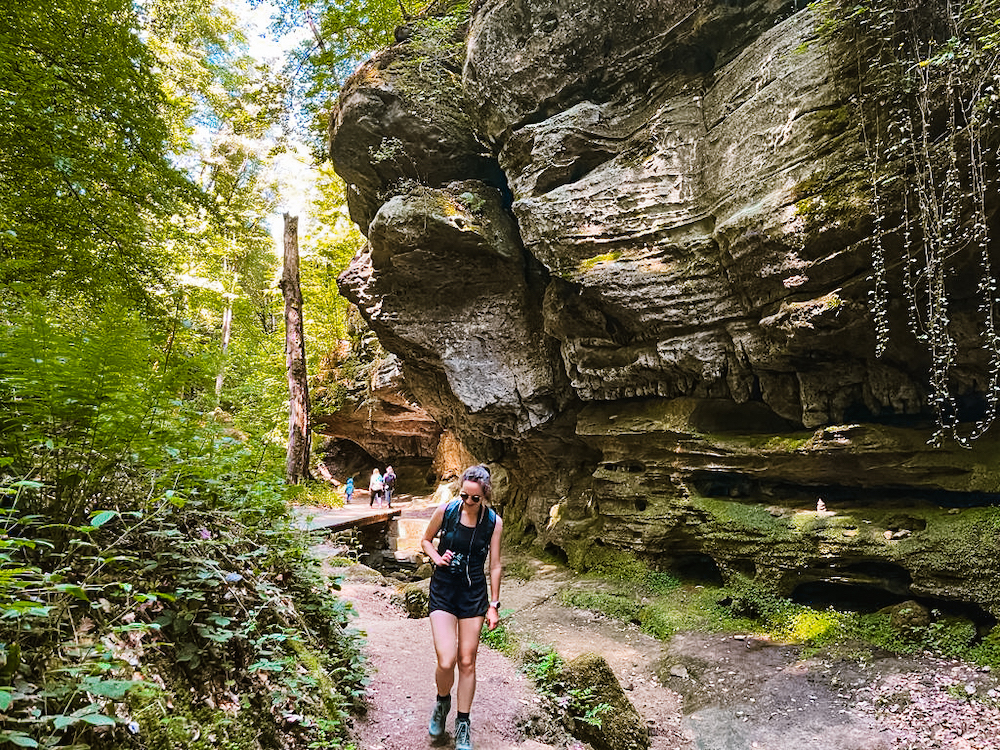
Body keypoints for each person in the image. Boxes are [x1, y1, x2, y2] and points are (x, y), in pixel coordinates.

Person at [420, 465, 503, 750]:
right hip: (443, 590)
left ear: (484, 496)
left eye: (474, 498)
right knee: (446, 660)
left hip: (473, 594)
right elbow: (425, 540)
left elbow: (494, 565)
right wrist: (436, 557)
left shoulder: (493, 522)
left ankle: (463, 723)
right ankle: (442, 703)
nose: (467, 502)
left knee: (467, 660)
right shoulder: (446, 511)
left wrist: (493, 604)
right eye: (464, 495)